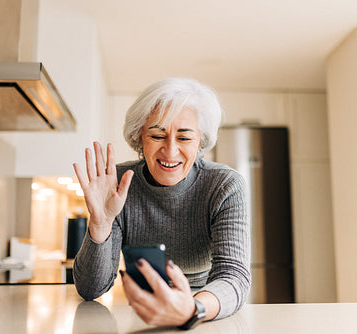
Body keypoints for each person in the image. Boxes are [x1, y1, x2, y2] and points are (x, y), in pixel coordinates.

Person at [72, 77, 251, 329]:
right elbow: (91, 289)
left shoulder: (224, 185)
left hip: (206, 314)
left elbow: (234, 276)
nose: (170, 151)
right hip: (142, 318)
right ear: (139, 138)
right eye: (157, 135)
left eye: (185, 138)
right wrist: (100, 225)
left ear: (201, 141)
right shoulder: (120, 183)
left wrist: (192, 309)